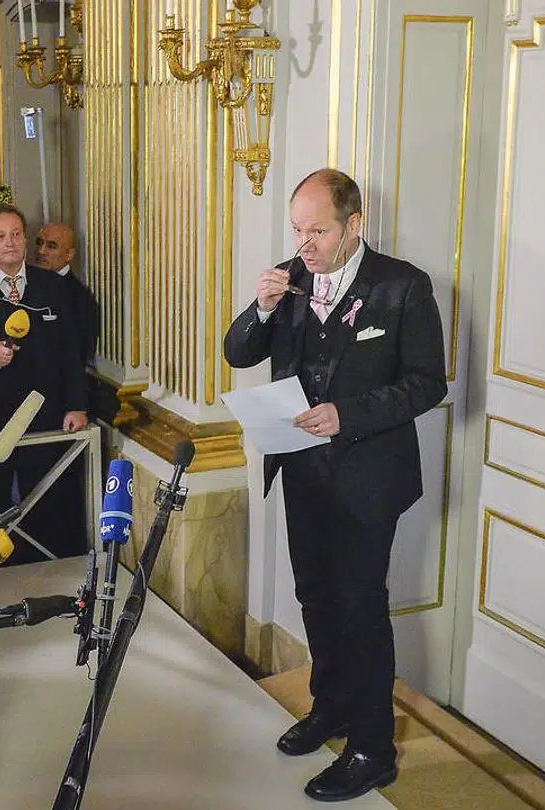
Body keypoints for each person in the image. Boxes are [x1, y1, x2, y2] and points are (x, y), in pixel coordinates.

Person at [222, 168, 447, 802]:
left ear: (354, 225)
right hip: (300, 470)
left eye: (318, 230)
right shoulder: (288, 278)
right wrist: (261, 308)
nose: (306, 243)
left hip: (368, 478)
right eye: (298, 229)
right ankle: (333, 707)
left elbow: (428, 383)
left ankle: (374, 747)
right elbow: (238, 352)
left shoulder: (402, 287)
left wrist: (350, 415)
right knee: (315, 595)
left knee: (359, 605)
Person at [0, 203, 88, 561]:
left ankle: (42, 571)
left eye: (15, 234)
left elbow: (71, 351)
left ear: (24, 238)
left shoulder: (52, 286)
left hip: (42, 414)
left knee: (42, 500)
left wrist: (76, 404)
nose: (9, 243)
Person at [34, 222, 99, 366]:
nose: (41, 251)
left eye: (51, 246)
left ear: (69, 254)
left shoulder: (79, 298)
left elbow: (78, 353)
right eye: (39, 243)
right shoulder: (26, 283)